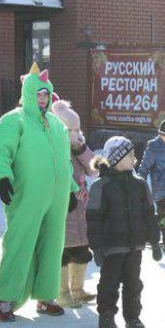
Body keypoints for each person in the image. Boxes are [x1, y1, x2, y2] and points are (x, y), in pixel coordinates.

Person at [0, 63, 79, 322]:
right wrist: (2, 178)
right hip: (26, 193)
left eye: (46, 94)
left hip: (57, 196)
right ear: (28, 93)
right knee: (20, 242)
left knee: (52, 244)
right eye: (38, 93)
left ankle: (45, 296)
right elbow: (0, 153)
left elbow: (65, 162)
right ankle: (4, 298)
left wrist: (71, 189)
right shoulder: (13, 120)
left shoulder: (57, 124)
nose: (42, 98)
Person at [87, 136, 162, 328]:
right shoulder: (100, 186)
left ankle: (133, 317)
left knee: (134, 284)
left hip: (135, 246)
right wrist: (97, 247)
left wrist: (154, 242)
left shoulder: (140, 184)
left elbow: (149, 214)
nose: (134, 159)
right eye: (129, 155)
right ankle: (106, 316)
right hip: (112, 247)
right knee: (109, 284)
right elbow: (94, 219)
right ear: (116, 158)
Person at [51, 100, 98, 309]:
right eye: (69, 130)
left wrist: (81, 149)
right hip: (62, 208)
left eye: (77, 129)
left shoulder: (79, 147)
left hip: (81, 210)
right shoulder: (53, 150)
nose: (74, 134)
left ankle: (78, 289)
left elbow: (94, 169)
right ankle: (61, 292)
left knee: (81, 249)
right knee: (62, 252)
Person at [138, 119, 165, 253]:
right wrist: (140, 183)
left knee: (162, 217)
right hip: (160, 188)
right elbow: (144, 167)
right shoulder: (154, 146)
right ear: (161, 134)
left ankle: (150, 236)